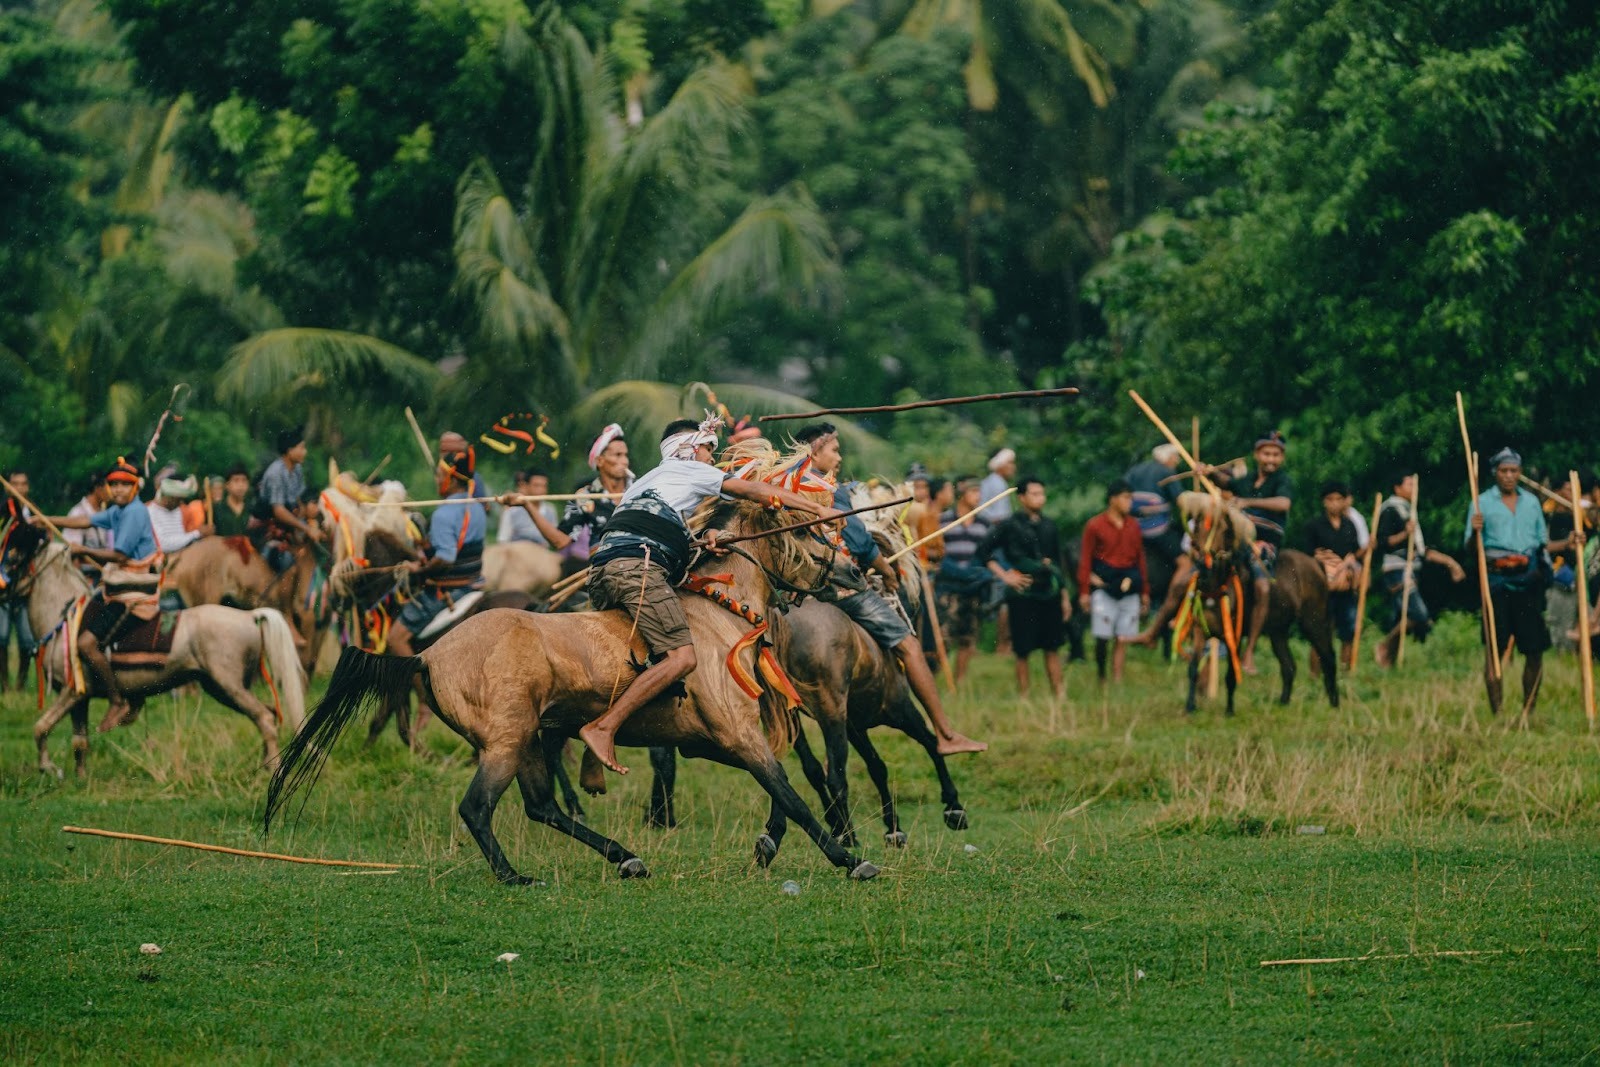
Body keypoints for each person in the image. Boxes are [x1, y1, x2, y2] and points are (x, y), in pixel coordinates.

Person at [578, 417, 844, 776]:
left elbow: (655, 526)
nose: (712, 456)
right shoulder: (687, 469)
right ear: (688, 449)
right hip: (637, 570)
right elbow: (756, 492)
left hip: (603, 572)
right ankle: (604, 728)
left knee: (630, 660)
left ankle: (595, 747)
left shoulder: (646, 482)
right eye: (708, 448)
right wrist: (818, 509)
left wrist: (702, 541)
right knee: (681, 658)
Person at [797, 423, 987, 754]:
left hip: (797, 593)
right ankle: (944, 734)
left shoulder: (787, 488)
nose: (839, 457)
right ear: (815, 452)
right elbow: (860, 541)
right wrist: (887, 570)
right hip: (842, 590)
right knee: (910, 646)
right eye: (834, 450)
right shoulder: (831, 491)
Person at [37, 458, 160, 726]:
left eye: (124, 485)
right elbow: (84, 521)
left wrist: (84, 551)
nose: (117, 490)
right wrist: (44, 520)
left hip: (135, 593)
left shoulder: (135, 512)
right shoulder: (118, 510)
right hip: (117, 588)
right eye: (113, 484)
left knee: (86, 644)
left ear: (135, 488)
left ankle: (117, 700)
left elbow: (119, 554)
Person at [1466, 448, 1578, 715]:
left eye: (1513, 471)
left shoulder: (1531, 503)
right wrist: (1475, 531)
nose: (1508, 476)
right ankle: (1499, 713)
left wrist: (1568, 542)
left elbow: (1542, 546)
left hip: (1528, 582)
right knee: (1495, 648)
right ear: (1495, 473)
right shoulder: (1480, 503)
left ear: (1520, 473)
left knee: (1534, 648)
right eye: (1504, 471)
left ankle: (1529, 710)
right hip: (1496, 581)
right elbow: (1472, 549)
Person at [386, 451, 488, 661]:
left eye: (440, 475)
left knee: (395, 639)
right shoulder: (478, 506)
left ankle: (422, 693)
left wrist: (419, 569)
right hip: (473, 583)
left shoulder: (444, 513)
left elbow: (445, 559)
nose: (437, 479)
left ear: (451, 479)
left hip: (447, 591)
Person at [981, 477, 1070, 698]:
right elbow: (983, 552)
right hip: (1022, 593)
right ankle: (1024, 696)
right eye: (1035, 494)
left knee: (1052, 646)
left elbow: (1059, 561)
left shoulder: (1049, 524)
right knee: (1022, 649)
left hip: (1049, 592)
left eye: (1042, 493)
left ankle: (1059, 694)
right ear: (1021, 497)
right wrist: (1005, 576)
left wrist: (1065, 596)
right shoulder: (1009, 525)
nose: (1041, 498)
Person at [1371, 471, 1465, 668]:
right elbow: (1382, 543)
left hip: (1412, 568)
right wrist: (1405, 533)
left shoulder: (1408, 510)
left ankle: (1389, 664)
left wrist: (1450, 563)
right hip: (1397, 569)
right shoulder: (1390, 509)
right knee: (1418, 615)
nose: (1414, 489)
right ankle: (1384, 646)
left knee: (1402, 617)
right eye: (1409, 485)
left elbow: (1422, 550)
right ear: (1397, 488)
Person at [1219, 431, 1294, 674]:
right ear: (1257, 454)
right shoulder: (1247, 480)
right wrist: (1207, 471)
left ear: (1281, 457)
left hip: (1263, 545)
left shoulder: (1283, 481)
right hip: (1238, 543)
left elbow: (1283, 503)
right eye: (1266, 453)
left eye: (1275, 454)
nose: (1270, 459)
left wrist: (1247, 503)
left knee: (1262, 587)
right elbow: (1226, 483)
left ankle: (1249, 650)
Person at [1078, 480, 1149, 684]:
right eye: (1126, 498)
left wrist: (1145, 590)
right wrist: (1084, 590)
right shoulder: (1095, 525)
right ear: (1113, 499)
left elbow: (1140, 559)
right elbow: (1086, 559)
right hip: (1105, 584)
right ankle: (1102, 675)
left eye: (1130, 498)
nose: (1129, 502)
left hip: (1130, 584)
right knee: (1102, 635)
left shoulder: (1134, 526)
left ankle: (1117, 677)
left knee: (1123, 636)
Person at [935, 478, 998, 686]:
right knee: (943, 636)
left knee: (968, 637)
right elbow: (937, 552)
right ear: (962, 494)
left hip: (973, 588)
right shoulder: (943, 520)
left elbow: (988, 554)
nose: (978, 496)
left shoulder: (985, 523)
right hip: (949, 587)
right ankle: (935, 680)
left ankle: (959, 682)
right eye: (974, 492)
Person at [1304, 481, 1366, 670]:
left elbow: (1355, 553)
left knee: (1348, 631)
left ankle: (1346, 672)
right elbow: (1308, 555)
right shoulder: (1314, 525)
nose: (1335, 504)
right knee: (1321, 632)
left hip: (1345, 587)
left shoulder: (1350, 525)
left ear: (1344, 501)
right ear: (1324, 502)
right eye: (1330, 499)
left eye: (1339, 499)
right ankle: (1316, 676)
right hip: (1322, 586)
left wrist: (1358, 554)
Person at [257, 429, 323, 570]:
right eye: (302, 447)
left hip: (291, 525)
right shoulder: (275, 473)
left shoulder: (297, 469)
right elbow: (278, 511)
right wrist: (306, 528)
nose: (305, 452)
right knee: (286, 562)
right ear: (289, 450)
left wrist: (308, 513)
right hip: (271, 530)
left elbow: (300, 499)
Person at [1, 471, 38, 691]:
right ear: (8, 486)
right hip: (3, 585)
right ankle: (4, 685)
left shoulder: (32, 512)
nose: (19, 488)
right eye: (14, 484)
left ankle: (21, 685)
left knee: (26, 640)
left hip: (25, 585)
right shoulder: (3, 512)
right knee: (2, 637)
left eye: (23, 484)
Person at [147, 474, 210, 553]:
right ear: (167, 496)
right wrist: (196, 534)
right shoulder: (150, 512)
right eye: (177, 500)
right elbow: (163, 545)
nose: (180, 503)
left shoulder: (177, 510)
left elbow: (180, 537)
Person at [497, 470, 557, 546]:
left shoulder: (550, 510)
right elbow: (503, 540)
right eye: (536, 486)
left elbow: (555, 540)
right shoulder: (511, 510)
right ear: (526, 486)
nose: (541, 490)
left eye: (544, 486)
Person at [213, 464, 253, 537]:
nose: (241, 485)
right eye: (236, 480)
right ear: (227, 485)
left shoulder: (252, 508)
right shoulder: (216, 509)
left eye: (244, 481)